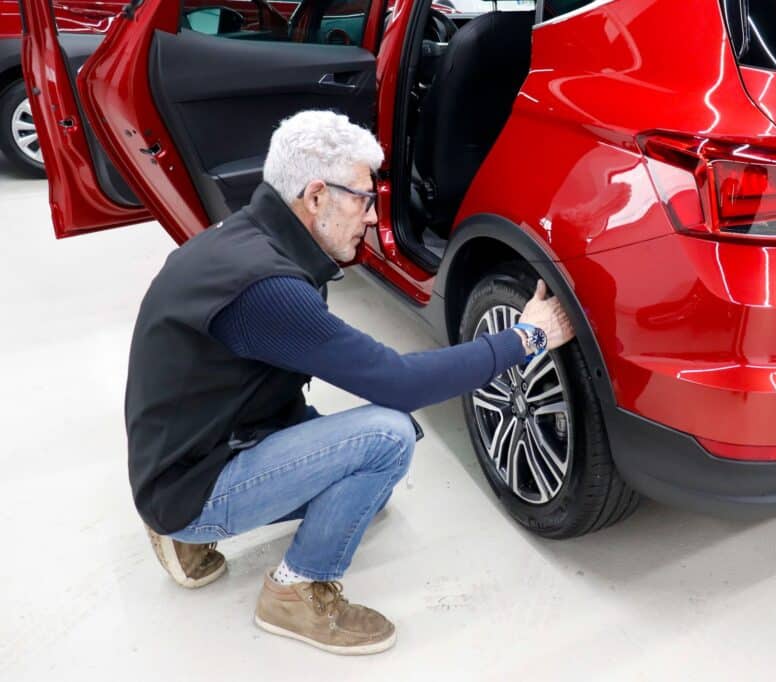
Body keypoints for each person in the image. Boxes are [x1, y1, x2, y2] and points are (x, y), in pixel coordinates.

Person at [125, 110, 575, 655]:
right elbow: (398, 383)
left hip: (195, 445)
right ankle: (293, 591)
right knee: (388, 436)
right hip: (190, 483)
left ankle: (182, 524)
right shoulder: (267, 288)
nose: (371, 216)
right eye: (363, 198)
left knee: (371, 485)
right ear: (315, 196)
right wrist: (525, 339)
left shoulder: (246, 238)